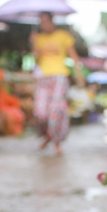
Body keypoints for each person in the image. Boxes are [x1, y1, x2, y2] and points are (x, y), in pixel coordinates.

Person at [31, 12, 85, 155]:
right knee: (40, 112)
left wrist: (79, 74)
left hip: (60, 76)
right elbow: (36, 59)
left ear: (52, 21)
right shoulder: (39, 38)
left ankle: (57, 142)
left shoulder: (63, 36)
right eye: (41, 21)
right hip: (43, 77)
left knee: (56, 111)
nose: (44, 24)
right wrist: (33, 44)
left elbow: (74, 56)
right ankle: (46, 136)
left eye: (46, 20)